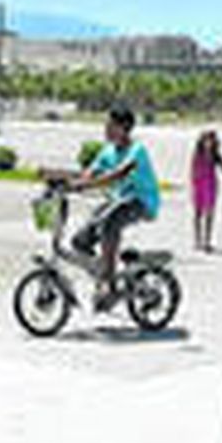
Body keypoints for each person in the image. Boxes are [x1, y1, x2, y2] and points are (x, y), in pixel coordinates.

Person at [72, 104, 160, 307]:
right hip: (118, 201)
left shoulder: (137, 150)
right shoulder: (108, 151)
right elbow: (89, 173)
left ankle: (110, 286)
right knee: (80, 240)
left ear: (125, 127)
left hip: (141, 202)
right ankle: (102, 274)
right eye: (106, 125)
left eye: (111, 126)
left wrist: (86, 184)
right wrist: (61, 180)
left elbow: (119, 173)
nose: (107, 130)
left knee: (110, 223)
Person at [188, 128, 222, 253]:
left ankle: (207, 241)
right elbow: (192, 169)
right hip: (198, 184)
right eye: (207, 140)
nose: (209, 143)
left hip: (211, 184)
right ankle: (197, 240)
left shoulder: (216, 155)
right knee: (197, 213)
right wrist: (193, 182)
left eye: (211, 140)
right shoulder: (197, 153)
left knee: (209, 213)